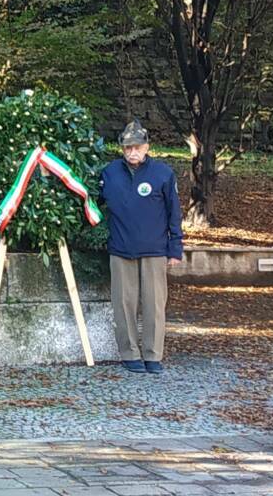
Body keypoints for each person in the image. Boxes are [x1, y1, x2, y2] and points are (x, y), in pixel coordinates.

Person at [100, 120, 184, 374]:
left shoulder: (163, 174)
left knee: (154, 304)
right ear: (122, 149)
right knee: (123, 304)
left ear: (147, 147)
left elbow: (174, 212)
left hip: (154, 249)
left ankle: (152, 354)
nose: (132, 152)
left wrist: (175, 247)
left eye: (137, 147)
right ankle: (129, 353)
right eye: (127, 148)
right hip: (121, 248)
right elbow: (94, 204)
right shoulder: (109, 173)